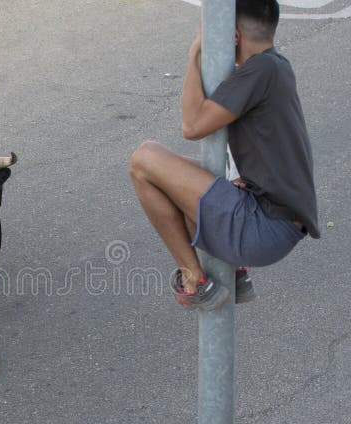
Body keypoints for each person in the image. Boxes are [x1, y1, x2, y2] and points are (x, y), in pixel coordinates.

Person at [129, 0, 319, 310]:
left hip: (264, 228)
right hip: (276, 222)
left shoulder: (261, 69)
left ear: (231, 35)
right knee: (170, 181)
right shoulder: (276, 66)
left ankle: (194, 281)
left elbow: (191, 126)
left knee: (143, 159)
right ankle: (233, 271)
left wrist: (195, 54)